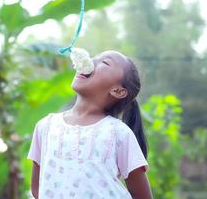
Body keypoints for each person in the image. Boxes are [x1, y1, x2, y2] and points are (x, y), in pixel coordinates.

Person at [27, 50, 153, 199]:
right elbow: (37, 190)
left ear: (118, 91)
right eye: (93, 57)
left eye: (105, 62)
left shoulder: (119, 133)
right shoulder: (45, 126)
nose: (90, 62)